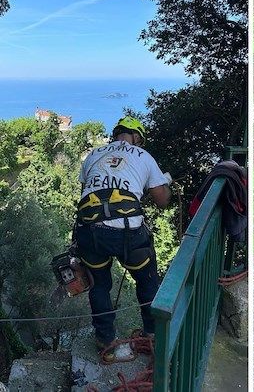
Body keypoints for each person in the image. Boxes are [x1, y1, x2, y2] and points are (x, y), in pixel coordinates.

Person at [74, 116, 172, 360]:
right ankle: (152, 336)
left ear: (116, 134)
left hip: (90, 230)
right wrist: (165, 184)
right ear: (137, 137)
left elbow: (87, 192)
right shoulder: (144, 156)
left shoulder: (94, 154)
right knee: (147, 280)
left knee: (99, 285)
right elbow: (162, 200)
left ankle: (106, 345)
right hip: (128, 233)